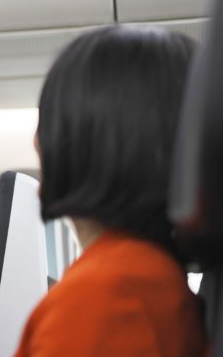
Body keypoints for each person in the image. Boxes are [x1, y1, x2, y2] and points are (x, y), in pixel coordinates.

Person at [15, 26, 208, 356]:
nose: (36, 141)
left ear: (95, 141)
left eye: (49, 120)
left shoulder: (108, 295)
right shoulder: (142, 274)